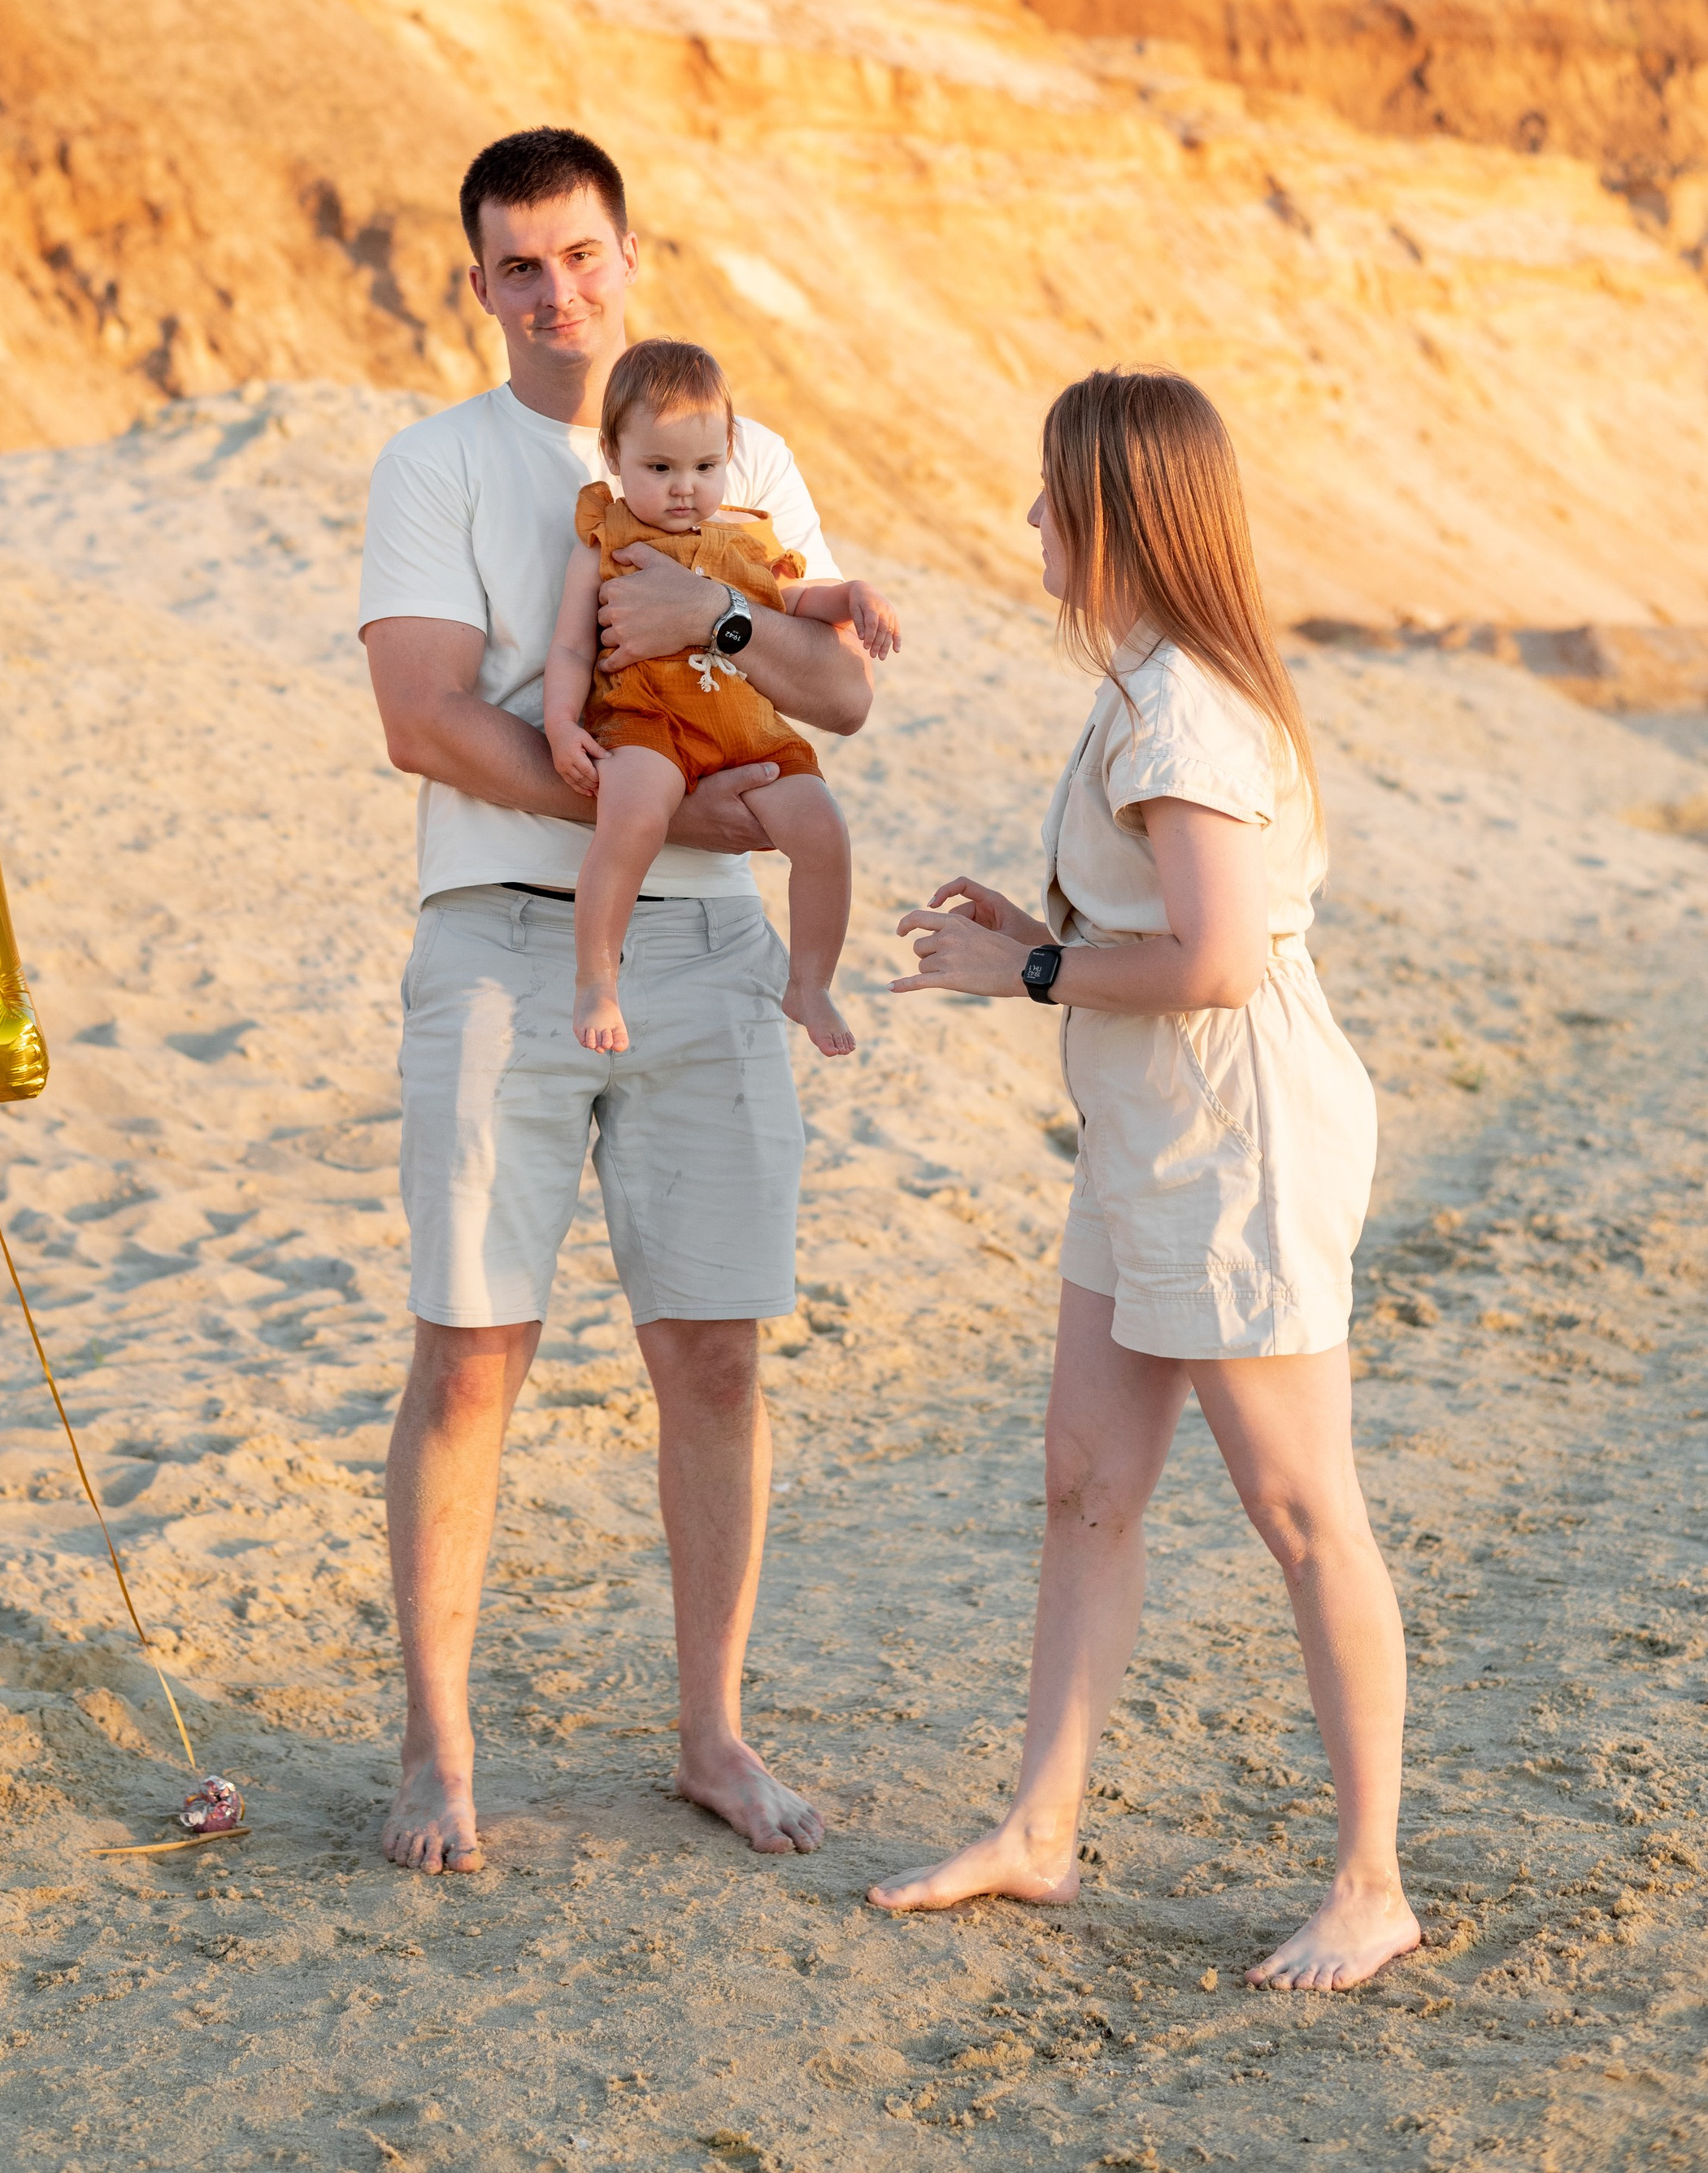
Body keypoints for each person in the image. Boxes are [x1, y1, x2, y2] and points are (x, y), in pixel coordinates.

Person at [357, 124, 876, 1874]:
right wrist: (663, 808)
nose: (555, 290)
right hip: (502, 942)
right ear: (479, 283)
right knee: (471, 1354)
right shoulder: (436, 462)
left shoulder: (744, 453)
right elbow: (423, 718)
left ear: (630, 255)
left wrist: (711, 627)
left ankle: (712, 1737)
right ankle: (437, 1754)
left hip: (716, 950)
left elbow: (840, 695)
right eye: (519, 263)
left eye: (581, 253)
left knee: (713, 1351)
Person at [871, 367, 1418, 1993]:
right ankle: (1038, 1830)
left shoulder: (1181, 706)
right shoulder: (1146, 686)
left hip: (1234, 1132)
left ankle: (1371, 1886)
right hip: (1148, 1131)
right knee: (1085, 1478)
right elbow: (1158, 927)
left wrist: (1028, 969)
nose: (1030, 516)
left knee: (1303, 1511)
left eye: (1055, 492)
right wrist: (1034, 931)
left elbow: (1218, 960)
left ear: (1117, 514)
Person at [542, 335, 898, 1061]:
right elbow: (573, 647)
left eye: (705, 467)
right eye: (660, 468)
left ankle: (809, 982)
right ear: (613, 455)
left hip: (743, 725)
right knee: (632, 817)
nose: (685, 487)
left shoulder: (744, 536)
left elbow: (795, 600)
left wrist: (854, 594)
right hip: (648, 719)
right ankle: (596, 978)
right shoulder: (604, 541)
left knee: (822, 827)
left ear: (728, 453)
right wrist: (558, 724)